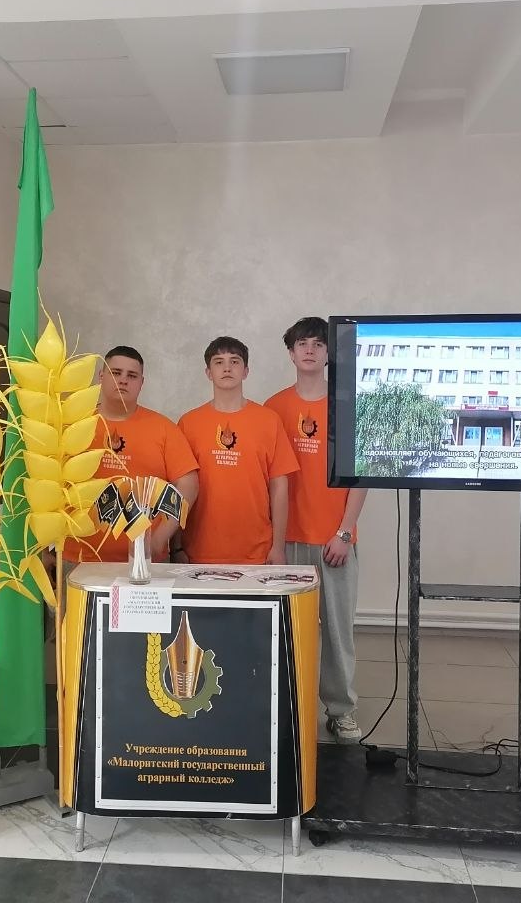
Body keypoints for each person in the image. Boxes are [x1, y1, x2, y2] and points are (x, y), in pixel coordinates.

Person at [266, 316, 368, 744]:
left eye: (318, 344)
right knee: (285, 629)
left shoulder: (347, 406)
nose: (309, 350)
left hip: (334, 541)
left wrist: (344, 533)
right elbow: (268, 479)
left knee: (338, 633)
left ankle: (341, 710)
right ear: (291, 353)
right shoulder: (273, 408)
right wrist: (273, 541)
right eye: (302, 344)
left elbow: (360, 476)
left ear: (329, 354)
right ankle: (283, 705)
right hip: (287, 542)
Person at [62, 346, 199, 565]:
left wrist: (160, 538)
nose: (123, 380)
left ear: (141, 383)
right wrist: (44, 549)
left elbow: (189, 485)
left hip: (146, 562)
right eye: (116, 373)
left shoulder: (163, 428)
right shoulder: (73, 424)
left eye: (132, 376)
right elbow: (49, 486)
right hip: (76, 559)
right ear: (101, 376)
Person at [175, 336, 299, 565]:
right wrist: (177, 547)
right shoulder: (188, 423)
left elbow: (279, 487)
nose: (227, 368)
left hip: (257, 552)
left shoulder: (269, 420)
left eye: (234, 361)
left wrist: (278, 547)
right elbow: (177, 489)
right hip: (199, 552)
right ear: (208, 373)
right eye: (218, 362)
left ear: (246, 371)